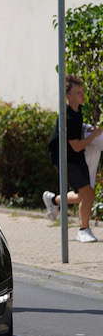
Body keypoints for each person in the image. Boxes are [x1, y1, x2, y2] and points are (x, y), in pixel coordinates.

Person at [43, 75, 103, 243]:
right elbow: (76, 146)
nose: (82, 95)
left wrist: (91, 130)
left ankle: (54, 200)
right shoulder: (67, 117)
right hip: (65, 158)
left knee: (83, 195)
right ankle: (83, 229)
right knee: (88, 194)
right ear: (68, 96)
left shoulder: (78, 112)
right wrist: (96, 135)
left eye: (82, 92)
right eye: (78, 93)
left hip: (75, 156)